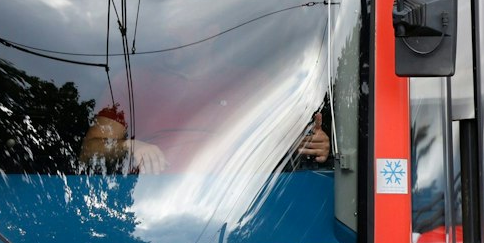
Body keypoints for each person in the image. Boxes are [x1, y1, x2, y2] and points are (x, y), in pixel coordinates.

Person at [77, 103, 332, 174]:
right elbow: (90, 152)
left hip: (237, 213)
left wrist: (312, 144)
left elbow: (279, 142)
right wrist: (129, 145)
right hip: (144, 208)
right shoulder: (131, 80)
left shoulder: (256, 81)